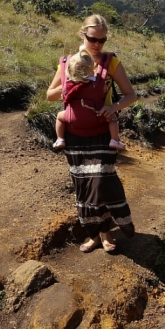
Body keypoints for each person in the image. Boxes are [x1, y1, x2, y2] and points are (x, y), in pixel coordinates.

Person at [46, 15, 137, 253]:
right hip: (75, 135)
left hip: (102, 133)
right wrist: (69, 82)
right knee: (83, 185)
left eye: (102, 40)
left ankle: (106, 235)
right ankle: (94, 235)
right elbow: (50, 95)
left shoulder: (111, 63)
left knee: (101, 184)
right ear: (82, 35)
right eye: (92, 39)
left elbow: (130, 95)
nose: (97, 44)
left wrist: (113, 108)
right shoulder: (67, 62)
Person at [52, 46, 125, 151]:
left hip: (73, 118)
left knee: (59, 116)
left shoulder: (67, 85)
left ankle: (60, 139)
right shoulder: (97, 83)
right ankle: (114, 140)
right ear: (91, 69)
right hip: (96, 116)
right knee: (112, 117)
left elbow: (62, 95)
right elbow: (105, 88)